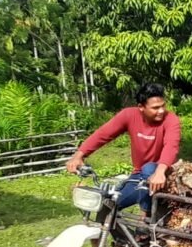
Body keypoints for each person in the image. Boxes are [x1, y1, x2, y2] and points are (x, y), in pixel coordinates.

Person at [65, 83, 181, 216]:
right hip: (139, 175)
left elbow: (171, 146)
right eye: (155, 108)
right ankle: (103, 230)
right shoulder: (129, 115)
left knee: (149, 168)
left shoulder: (171, 119)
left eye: (163, 106)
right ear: (141, 107)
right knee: (107, 206)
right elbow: (103, 134)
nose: (161, 111)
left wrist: (160, 172)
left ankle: (145, 218)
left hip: (164, 174)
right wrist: (79, 155)